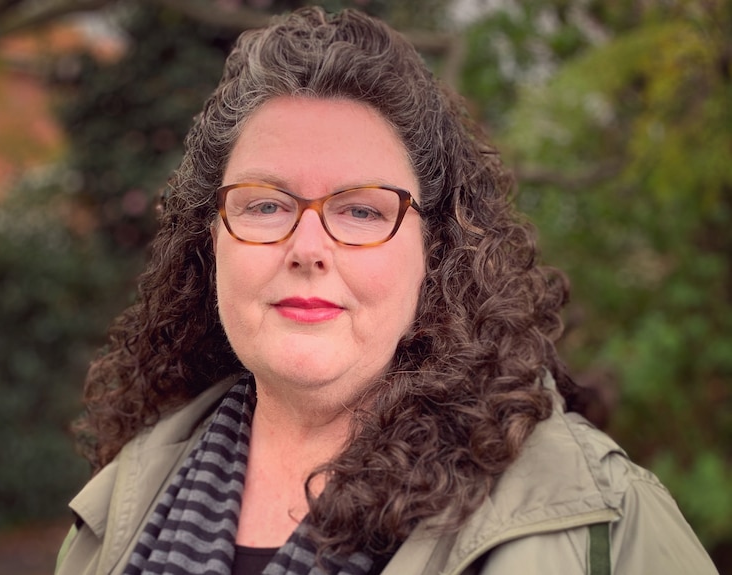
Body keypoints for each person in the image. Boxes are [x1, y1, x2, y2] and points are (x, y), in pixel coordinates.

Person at [55, 7, 718, 575]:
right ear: (212, 238)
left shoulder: (598, 517)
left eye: (362, 210)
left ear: (437, 249)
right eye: (264, 205)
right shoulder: (120, 507)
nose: (307, 248)